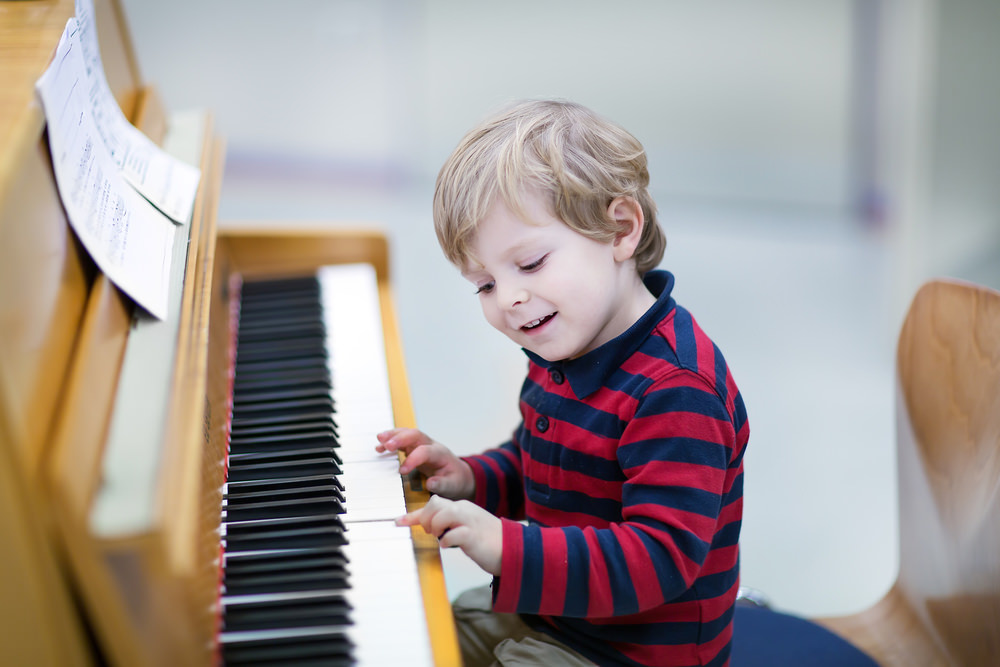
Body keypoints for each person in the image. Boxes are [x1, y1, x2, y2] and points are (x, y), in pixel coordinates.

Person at [376, 99, 749, 667]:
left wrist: (506, 546)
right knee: (417, 637)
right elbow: (542, 466)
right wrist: (470, 477)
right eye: (484, 285)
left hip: (635, 653)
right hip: (561, 617)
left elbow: (659, 558)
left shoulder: (677, 390)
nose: (509, 298)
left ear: (619, 230)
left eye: (530, 264)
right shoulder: (565, 345)